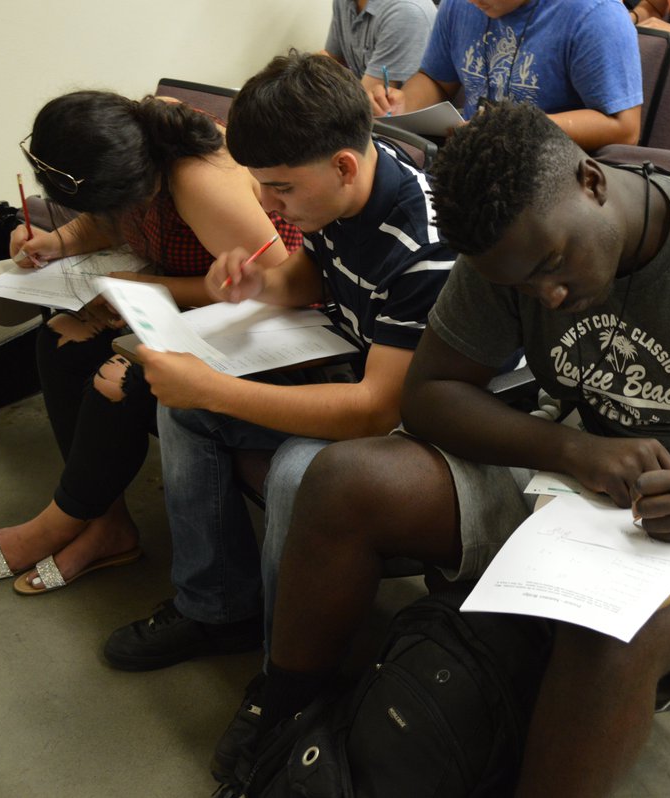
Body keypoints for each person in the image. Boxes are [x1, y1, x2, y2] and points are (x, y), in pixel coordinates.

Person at [236, 101, 670, 795]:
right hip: (577, 475)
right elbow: (430, 394)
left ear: (592, 181)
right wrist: (573, 453)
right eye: (520, 285)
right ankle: (285, 722)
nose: (546, 296)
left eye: (553, 264)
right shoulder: (511, 248)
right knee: (345, 480)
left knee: (610, 633)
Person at [100, 51, 454, 774]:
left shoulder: (422, 244)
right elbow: (307, 278)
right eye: (262, 187)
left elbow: (376, 412)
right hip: (366, 371)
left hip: (435, 425)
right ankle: (216, 608)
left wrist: (211, 385)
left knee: (295, 470)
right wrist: (258, 280)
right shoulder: (339, 186)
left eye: (280, 189)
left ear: (345, 168)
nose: (268, 207)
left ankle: (292, 685)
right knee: (186, 413)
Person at [0, 91, 301, 593]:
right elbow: (107, 222)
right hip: (187, 300)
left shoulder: (201, 181)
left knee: (116, 380)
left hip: (262, 323)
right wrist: (56, 242)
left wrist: (147, 288)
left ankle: (63, 518)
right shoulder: (134, 138)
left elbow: (280, 289)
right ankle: (105, 523)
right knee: (60, 345)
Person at [370, 0, 644, 151]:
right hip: (466, 163)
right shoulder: (460, 6)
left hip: (552, 177)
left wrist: (511, 127)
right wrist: (402, 105)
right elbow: (437, 80)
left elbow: (624, 129)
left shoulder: (595, 15)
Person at [322, 0, 436, 96]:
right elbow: (330, 62)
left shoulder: (404, 11)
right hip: (364, 110)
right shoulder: (344, 2)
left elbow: (370, 103)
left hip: (397, 119)